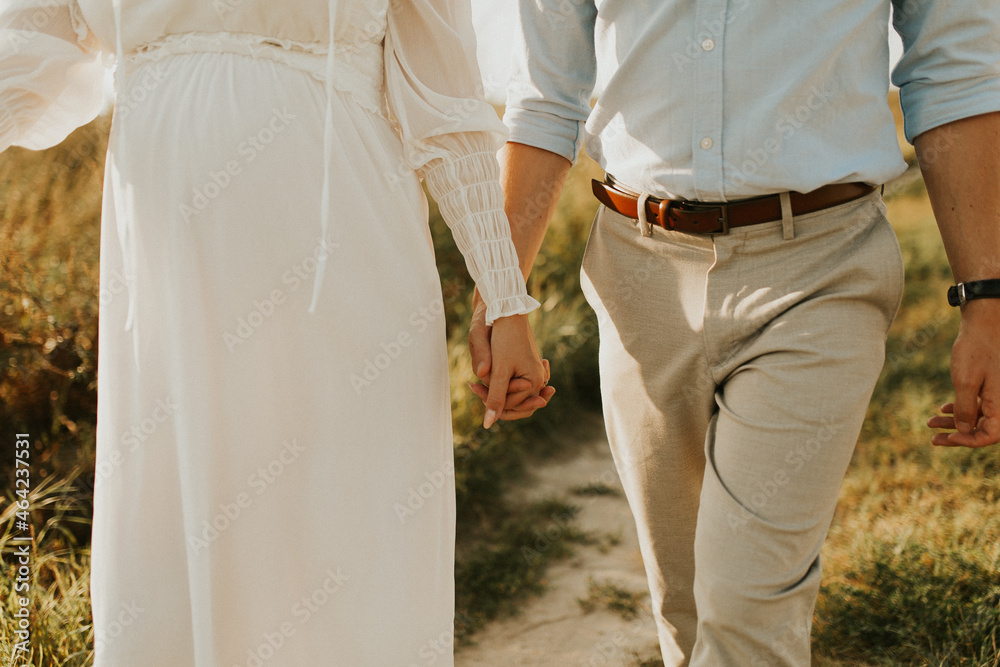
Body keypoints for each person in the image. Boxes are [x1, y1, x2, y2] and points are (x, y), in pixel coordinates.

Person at [0, 0, 550, 664]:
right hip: (171, 272)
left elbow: (447, 105)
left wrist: (503, 297)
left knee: (341, 524)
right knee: (183, 533)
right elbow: (28, 45)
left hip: (345, 250)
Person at [467, 1, 1000, 664]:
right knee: (686, 609)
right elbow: (545, 95)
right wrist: (502, 294)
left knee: (748, 613)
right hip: (637, 273)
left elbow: (957, 71)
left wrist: (986, 302)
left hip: (820, 270)